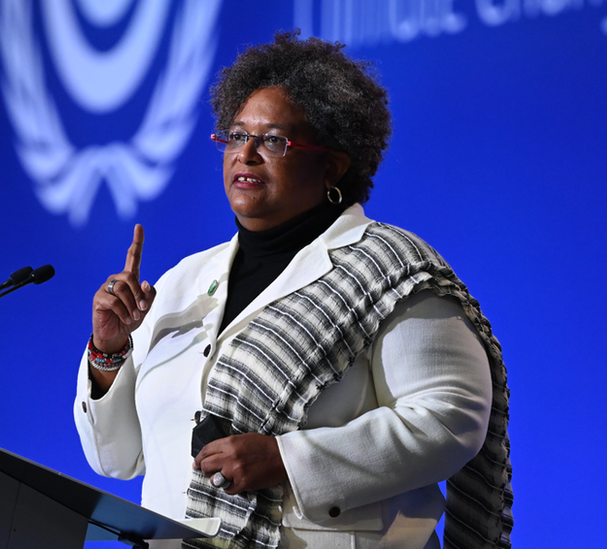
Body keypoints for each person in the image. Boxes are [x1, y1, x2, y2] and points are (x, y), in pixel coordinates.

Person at [74, 32, 512, 549]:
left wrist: (288, 459)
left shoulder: (390, 268)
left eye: (274, 140)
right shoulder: (183, 281)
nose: (247, 155)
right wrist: (108, 352)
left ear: (334, 164)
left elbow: (450, 419)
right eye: (236, 137)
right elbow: (119, 459)